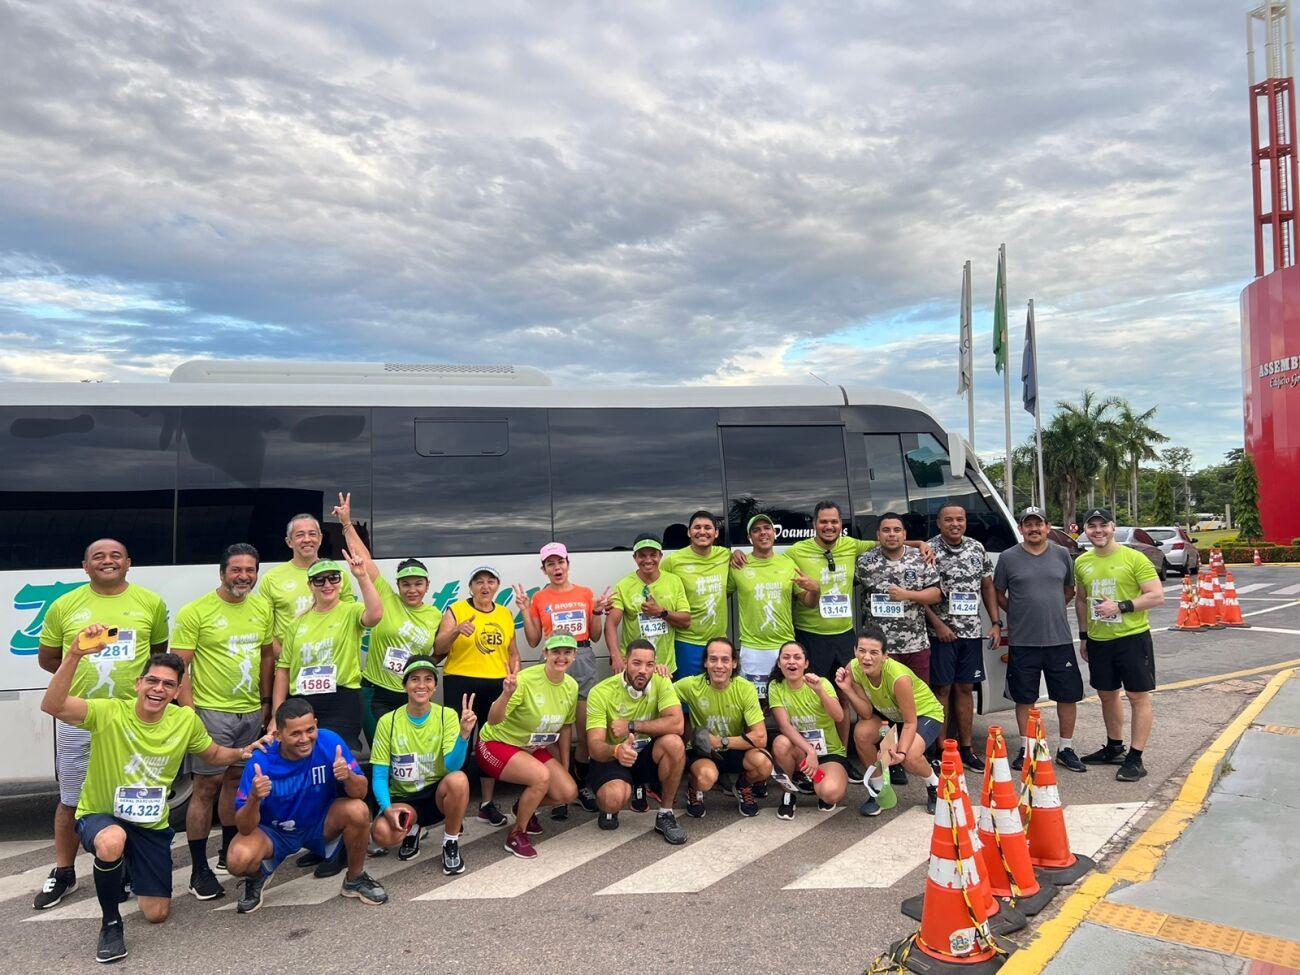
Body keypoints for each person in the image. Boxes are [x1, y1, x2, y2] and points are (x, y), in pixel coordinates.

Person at [40, 632, 267, 963]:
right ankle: (111, 924)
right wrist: (74, 654)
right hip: (103, 814)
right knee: (112, 841)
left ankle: (129, 862)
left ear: (176, 692)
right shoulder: (109, 712)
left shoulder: (184, 720)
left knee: (156, 913)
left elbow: (213, 753)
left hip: (149, 823)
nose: (158, 689)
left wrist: (243, 752)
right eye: (152, 681)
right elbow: (52, 705)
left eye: (168, 684)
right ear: (138, 684)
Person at [736, 501, 932, 761]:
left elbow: (887, 542)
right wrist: (736, 553)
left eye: (834, 522)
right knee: (813, 696)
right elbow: (764, 557)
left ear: (841, 524)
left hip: (844, 634)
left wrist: (920, 544)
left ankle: (841, 755)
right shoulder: (796, 552)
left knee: (845, 695)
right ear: (814, 525)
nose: (829, 526)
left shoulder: (851, 545)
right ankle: (810, 753)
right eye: (823, 522)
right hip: (811, 635)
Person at [34, 538, 169, 912]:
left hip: (130, 719)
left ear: (129, 562)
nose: (107, 561)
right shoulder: (64, 605)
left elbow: (157, 655)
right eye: (98, 556)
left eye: (115, 556)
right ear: (85, 565)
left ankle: (121, 865)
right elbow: (48, 659)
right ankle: (64, 872)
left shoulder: (150, 603)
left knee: (127, 793)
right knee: (71, 799)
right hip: (78, 716)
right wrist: (79, 670)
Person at [172, 543, 274, 899]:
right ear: (222, 573)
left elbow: (266, 657)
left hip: (250, 712)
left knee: (235, 782)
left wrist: (265, 702)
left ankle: (227, 851)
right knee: (205, 788)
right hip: (211, 712)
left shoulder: (261, 608)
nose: (244, 576)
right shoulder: (196, 611)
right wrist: (189, 714)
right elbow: (179, 667)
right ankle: (198, 870)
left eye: (250, 570)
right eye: (236, 570)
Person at [227, 698, 387, 914]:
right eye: (295, 734)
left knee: (358, 810)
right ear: (278, 735)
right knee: (237, 860)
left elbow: (360, 793)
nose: (304, 739)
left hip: (319, 823)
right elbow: (244, 828)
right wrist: (254, 798)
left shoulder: (330, 741)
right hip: (274, 832)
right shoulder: (261, 761)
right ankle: (258, 876)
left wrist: (348, 776)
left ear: (316, 724)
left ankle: (355, 879)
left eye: (310, 730)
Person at [332, 493, 441, 745]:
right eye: (406, 584)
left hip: (413, 694)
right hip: (376, 693)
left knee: (411, 749)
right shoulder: (386, 597)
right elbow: (364, 560)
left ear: (427, 586)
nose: (412, 589)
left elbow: (439, 651)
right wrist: (346, 523)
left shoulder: (435, 615)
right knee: (382, 749)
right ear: (398, 585)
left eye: (418, 584)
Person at [515, 542, 608, 816]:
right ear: (544, 569)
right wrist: (525, 609)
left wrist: (597, 611)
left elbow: (595, 635)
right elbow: (534, 640)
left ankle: (579, 782)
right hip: (553, 661)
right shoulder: (539, 599)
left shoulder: (585, 593)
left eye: (560, 562)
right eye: (550, 564)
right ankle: (560, 787)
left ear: (568, 564)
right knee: (553, 727)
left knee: (584, 728)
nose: (556, 568)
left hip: (581, 656)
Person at [1073, 508, 1165, 782]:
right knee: (1107, 695)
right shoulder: (1082, 562)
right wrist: (1084, 635)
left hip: (1132, 638)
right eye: (1092, 526)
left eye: (1103, 525)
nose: (1098, 531)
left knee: (1137, 697)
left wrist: (1121, 606)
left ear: (1113, 527)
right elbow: (1081, 599)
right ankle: (1114, 747)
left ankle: (1135, 758)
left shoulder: (1134, 558)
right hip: (1099, 640)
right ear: (1085, 531)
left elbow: (1156, 595)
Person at [992, 506, 1086, 772]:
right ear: (1021, 529)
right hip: (1023, 641)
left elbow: (1069, 590)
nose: (1034, 529)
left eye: (1039, 524)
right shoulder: (1008, 558)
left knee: (1067, 695)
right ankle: (1027, 747)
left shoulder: (1062, 554)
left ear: (1047, 527)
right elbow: (998, 593)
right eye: (1028, 524)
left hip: (1059, 639)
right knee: (1024, 697)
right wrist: (1018, 611)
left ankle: (1066, 748)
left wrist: (1050, 609)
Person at [475, 634, 581, 860]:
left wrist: (565, 767)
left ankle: (523, 806)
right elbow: (493, 720)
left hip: (531, 746)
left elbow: (565, 727)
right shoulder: (525, 679)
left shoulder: (571, 686)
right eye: (555, 651)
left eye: (567, 652)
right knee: (541, 777)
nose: (561, 657)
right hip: (496, 743)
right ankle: (516, 834)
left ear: (575, 655)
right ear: (545, 653)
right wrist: (506, 694)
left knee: (567, 792)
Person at [369, 656, 476, 874]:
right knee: (381, 833)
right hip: (405, 797)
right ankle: (413, 829)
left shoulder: (447, 715)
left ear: (435, 686)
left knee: (458, 780)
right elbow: (379, 776)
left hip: (436, 795)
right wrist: (387, 809)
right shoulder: (388, 721)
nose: (421, 685)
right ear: (405, 685)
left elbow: (452, 766)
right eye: (414, 679)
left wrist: (464, 736)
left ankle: (450, 842)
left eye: (428, 679)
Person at [434, 565, 521, 828]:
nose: (485, 586)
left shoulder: (505, 613)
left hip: (495, 683)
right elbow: (439, 647)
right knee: (459, 740)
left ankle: (486, 804)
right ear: (470, 587)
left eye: (490, 581)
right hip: (461, 681)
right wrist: (456, 631)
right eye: (479, 581)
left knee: (488, 741)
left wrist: (515, 675)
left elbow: (513, 652)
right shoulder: (456, 610)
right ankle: (455, 807)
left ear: (497, 586)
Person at [272, 550, 382, 754]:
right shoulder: (297, 623)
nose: (327, 584)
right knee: (304, 758)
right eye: (319, 580)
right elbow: (283, 669)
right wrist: (276, 716)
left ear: (340, 582)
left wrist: (362, 576)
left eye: (333, 578)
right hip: (302, 702)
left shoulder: (351, 611)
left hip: (341, 700)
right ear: (310, 586)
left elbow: (375, 614)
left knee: (335, 757)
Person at [585, 640, 689, 844]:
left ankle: (665, 814)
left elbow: (677, 724)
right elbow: (595, 747)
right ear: (625, 662)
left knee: (674, 743)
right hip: (614, 756)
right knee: (612, 799)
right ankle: (613, 803)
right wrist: (616, 751)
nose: (643, 670)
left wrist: (632, 726)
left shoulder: (661, 681)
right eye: (636, 663)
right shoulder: (600, 692)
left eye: (649, 664)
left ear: (655, 665)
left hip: (646, 753)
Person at [836, 626, 946, 817]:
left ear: (885, 655)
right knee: (862, 732)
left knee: (910, 757)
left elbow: (910, 723)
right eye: (862, 651)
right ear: (855, 651)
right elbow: (866, 713)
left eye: (874, 652)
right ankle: (880, 789)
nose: (866, 658)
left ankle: (934, 785)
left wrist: (900, 753)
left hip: (924, 714)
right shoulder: (852, 668)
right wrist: (847, 689)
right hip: (893, 716)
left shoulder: (898, 677)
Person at [924, 505, 1001, 771]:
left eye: (960, 519)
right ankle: (942, 749)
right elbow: (919, 594)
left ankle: (966, 749)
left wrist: (995, 623)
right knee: (942, 690)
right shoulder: (928, 550)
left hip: (971, 633)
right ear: (939, 523)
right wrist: (938, 625)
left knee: (966, 688)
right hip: (941, 635)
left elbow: (987, 586)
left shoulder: (976, 548)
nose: (955, 524)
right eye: (948, 520)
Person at [673, 636, 771, 818]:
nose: (719, 665)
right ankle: (694, 788)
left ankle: (743, 785)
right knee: (706, 778)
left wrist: (720, 741)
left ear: (734, 663)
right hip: (704, 751)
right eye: (713, 659)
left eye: (725, 660)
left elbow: (760, 737)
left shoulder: (745, 688)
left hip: (734, 747)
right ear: (705, 663)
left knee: (764, 764)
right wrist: (659, 673)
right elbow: (660, 694)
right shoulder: (691, 685)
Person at [728, 513, 819, 704]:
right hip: (753, 649)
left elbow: (808, 602)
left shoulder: (787, 563)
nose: (763, 533)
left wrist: (815, 590)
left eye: (767, 528)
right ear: (749, 537)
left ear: (774, 533)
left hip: (785, 647)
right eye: (756, 530)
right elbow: (721, 595)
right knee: (757, 704)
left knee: (790, 702)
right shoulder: (738, 565)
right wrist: (732, 553)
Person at [854, 512, 943, 685]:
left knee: (918, 696)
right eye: (886, 530)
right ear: (878, 535)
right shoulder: (865, 562)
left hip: (915, 645)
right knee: (882, 698)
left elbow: (937, 594)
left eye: (897, 530)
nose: (892, 534)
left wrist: (908, 594)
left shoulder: (920, 558)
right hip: (878, 649)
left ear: (904, 534)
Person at [768, 640, 849, 818]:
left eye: (797, 657)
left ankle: (816, 781)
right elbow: (784, 726)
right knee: (780, 743)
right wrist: (810, 751)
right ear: (779, 663)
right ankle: (788, 794)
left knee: (830, 793)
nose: (791, 662)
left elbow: (839, 716)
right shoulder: (776, 686)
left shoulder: (822, 683)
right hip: (801, 752)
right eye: (786, 657)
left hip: (829, 752)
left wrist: (820, 691)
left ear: (806, 664)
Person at [257, 513, 355, 654]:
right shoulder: (271, 578)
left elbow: (351, 618)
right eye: (300, 535)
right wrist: (287, 659)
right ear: (289, 542)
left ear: (320, 539)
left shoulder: (337, 575)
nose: (307, 539)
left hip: (330, 659)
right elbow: (265, 628)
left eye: (312, 534)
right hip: (290, 661)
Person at [605, 533, 692, 675]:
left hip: (664, 666)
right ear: (635, 557)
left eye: (653, 555)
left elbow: (686, 621)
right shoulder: (623, 585)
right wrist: (615, 656)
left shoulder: (674, 581)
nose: (648, 560)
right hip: (634, 666)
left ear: (660, 556)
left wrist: (661, 612)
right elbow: (611, 623)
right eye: (642, 556)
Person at [660, 511, 732, 678]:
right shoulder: (673, 561)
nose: (702, 532)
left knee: (718, 689)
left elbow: (727, 590)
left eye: (707, 527)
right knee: (687, 691)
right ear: (689, 532)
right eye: (697, 527)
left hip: (718, 642)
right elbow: (660, 589)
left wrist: (737, 553)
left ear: (716, 533)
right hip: (687, 642)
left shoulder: (724, 555)